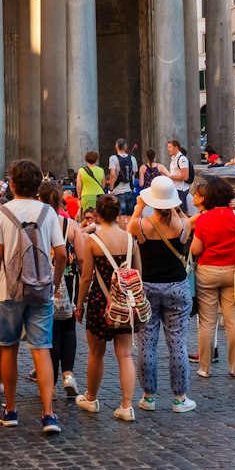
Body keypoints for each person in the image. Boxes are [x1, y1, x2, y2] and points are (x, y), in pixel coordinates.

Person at [0, 158, 67, 435]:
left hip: (8, 290)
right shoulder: (48, 212)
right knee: (41, 349)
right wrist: (54, 285)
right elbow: (62, 254)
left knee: (8, 347)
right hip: (41, 288)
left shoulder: (1, 212)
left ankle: (10, 409)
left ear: (12, 183)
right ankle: (48, 414)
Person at [127, 175, 197, 414]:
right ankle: (179, 398)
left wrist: (138, 207)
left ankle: (148, 396)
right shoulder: (182, 226)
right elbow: (188, 222)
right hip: (177, 287)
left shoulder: (142, 226)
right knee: (177, 343)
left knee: (147, 343)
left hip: (147, 288)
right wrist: (177, 209)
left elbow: (129, 228)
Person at [74, 193, 142, 419]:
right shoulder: (131, 239)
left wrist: (79, 304)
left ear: (98, 215)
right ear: (118, 214)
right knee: (125, 354)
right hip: (124, 301)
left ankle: (91, 398)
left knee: (96, 353)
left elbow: (85, 278)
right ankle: (127, 405)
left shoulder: (93, 241)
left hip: (100, 301)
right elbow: (138, 273)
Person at [189, 175, 235, 379]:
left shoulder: (203, 219)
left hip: (207, 272)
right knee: (234, 321)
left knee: (207, 322)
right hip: (232, 272)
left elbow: (196, 249)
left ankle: (205, 367)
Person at [40, 179, 81, 398]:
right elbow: (82, 258)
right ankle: (68, 374)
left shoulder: (37, 223)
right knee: (68, 329)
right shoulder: (70, 225)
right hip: (69, 283)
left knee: (49, 332)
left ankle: (52, 382)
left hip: (44, 284)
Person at [107, 140, 139, 215]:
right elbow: (134, 173)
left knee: (121, 216)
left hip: (118, 190)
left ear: (116, 147)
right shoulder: (132, 158)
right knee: (131, 215)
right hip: (130, 189)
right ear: (126, 147)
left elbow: (112, 174)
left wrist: (111, 189)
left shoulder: (113, 158)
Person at [164, 138, 193, 210]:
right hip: (174, 188)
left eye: (170, 147)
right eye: (168, 147)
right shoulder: (173, 158)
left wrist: (170, 176)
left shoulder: (182, 159)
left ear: (176, 147)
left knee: (181, 212)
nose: (168, 149)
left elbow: (185, 176)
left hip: (180, 190)